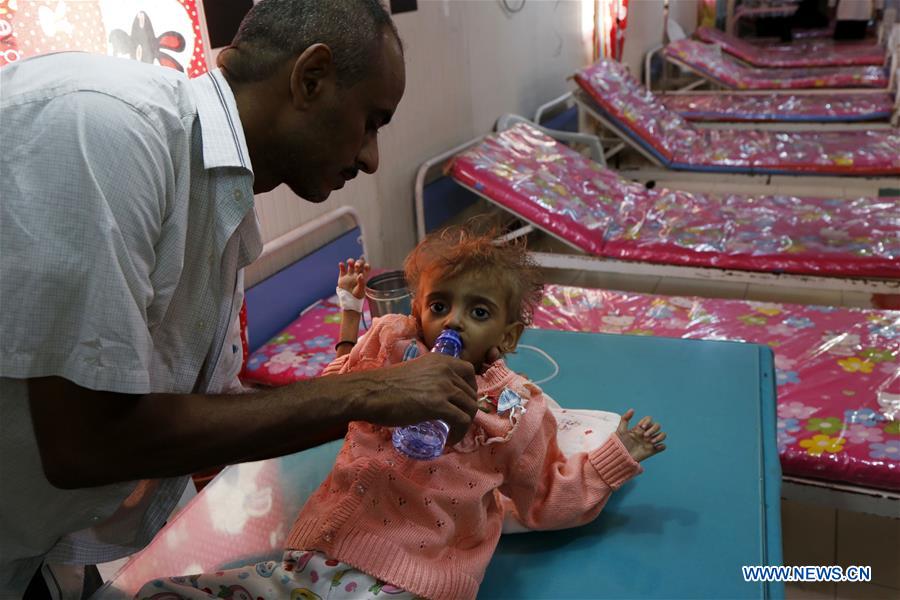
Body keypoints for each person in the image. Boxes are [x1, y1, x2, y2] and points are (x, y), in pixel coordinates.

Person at [0, 1, 480, 597]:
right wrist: (372, 392)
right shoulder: (105, 130)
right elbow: (86, 442)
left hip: (37, 553)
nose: (371, 157)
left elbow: (185, 406)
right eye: (371, 122)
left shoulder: (216, 191)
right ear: (310, 78)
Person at [136, 226, 667, 600]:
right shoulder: (391, 345)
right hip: (317, 552)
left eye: (478, 312)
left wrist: (615, 456)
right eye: (440, 305)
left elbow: (545, 496)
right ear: (417, 309)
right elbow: (332, 396)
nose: (452, 320)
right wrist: (352, 316)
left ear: (507, 335)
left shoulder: (516, 407)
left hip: (416, 575)